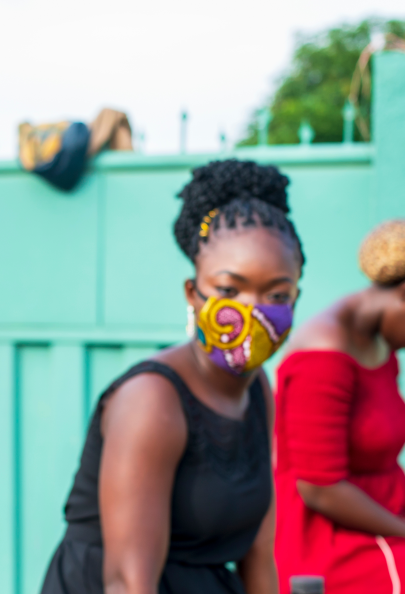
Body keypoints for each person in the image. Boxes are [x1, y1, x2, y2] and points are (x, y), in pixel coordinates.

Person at [40, 159, 304, 594]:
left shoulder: (258, 390)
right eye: (229, 290)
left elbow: (259, 553)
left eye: (276, 294)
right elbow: (127, 583)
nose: (252, 311)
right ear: (192, 293)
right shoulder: (152, 399)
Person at [275, 219, 405, 594]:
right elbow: (319, 488)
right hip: (325, 537)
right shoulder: (324, 354)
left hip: (381, 514)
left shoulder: (381, 340)